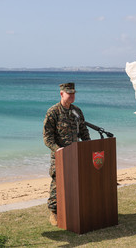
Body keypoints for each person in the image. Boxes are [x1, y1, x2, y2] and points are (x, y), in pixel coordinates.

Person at [43, 82, 91, 226]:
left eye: (73, 93)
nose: (72, 96)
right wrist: (57, 149)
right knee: (57, 183)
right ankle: (53, 211)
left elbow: (83, 130)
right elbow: (47, 136)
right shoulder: (53, 112)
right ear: (61, 94)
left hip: (75, 153)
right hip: (60, 154)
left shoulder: (77, 111)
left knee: (74, 182)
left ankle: (71, 209)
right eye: (69, 93)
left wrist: (88, 145)